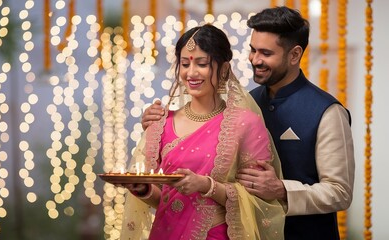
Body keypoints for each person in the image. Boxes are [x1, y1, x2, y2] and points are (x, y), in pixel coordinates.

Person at [141, 6, 355, 240]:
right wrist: (155, 126)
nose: (255, 59)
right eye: (253, 50)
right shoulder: (248, 103)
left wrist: (282, 190)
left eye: (266, 53)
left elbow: (340, 192)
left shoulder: (326, 111)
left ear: (294, 55)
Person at [121, 24, 285, 240]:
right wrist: (143, 190)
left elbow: (257, 200)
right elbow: (168, 200)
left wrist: (206, 185)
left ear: (224, 69)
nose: (191, 73)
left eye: (202, 64)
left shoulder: (244, 124)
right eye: (185, 64)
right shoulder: (161, 122)